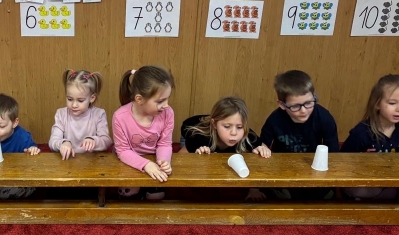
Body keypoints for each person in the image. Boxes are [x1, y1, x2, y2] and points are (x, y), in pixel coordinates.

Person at [260, 69, 338, 199]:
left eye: (308, 103)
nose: (303, 111)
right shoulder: (274, 120)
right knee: (284, 197)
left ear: (314, 96)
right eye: (295, 106)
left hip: (314, 172)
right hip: (283, 172)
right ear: (282, 105)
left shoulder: (324, 118)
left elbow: (334, 155)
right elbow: (261, 148)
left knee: (325, 196)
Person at [181, 96, 271, 201]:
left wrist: (263, 151)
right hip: (192, 129)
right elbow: (180, 158)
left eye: (239, 127)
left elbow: (263, 148)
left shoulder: (248, 137)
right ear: (214, 124)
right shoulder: (198, 137)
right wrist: (196, 158)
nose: (234, 133)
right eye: (227, 126)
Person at [340, 75, 399, 199]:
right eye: (392, 103)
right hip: (358, 180)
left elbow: (396, 160)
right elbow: (341, 160)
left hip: (383, 180)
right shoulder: (361, 133)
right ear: (377, 104)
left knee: (394, 193)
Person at [112, 65, 175, 200]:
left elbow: (165, 143)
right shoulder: (119, 117)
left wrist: (164, 161)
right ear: (139, 99)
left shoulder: (168, 113)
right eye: (160, 101)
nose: (166, 105)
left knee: (156, 196)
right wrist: (146, 165)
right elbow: (123, 151)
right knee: (128, 195)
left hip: (154, 158)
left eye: (167, 98)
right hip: (128, 161)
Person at [49, 69, 112, 160]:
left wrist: (94, 141)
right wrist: (63, 143)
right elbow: (53, 141)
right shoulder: (61, 114)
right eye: (70, 99)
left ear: (92, 98)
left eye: (80, 100)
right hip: (67, 161)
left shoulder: (99, 114)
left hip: (92, 163)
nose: (74, 105)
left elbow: (107, 141)